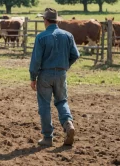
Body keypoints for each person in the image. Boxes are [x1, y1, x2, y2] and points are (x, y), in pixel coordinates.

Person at [29, 8, 80, 146]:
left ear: (45, 20)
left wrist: (33, 77)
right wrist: (65, 66)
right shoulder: (68, 35)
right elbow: (76, 55)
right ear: (56, 20)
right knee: (62, 101)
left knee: (44, 105)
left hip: (45, 75)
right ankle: (67, 124)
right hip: (61, 74)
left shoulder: (41, 37)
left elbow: (36, 60)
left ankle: (47, 137)